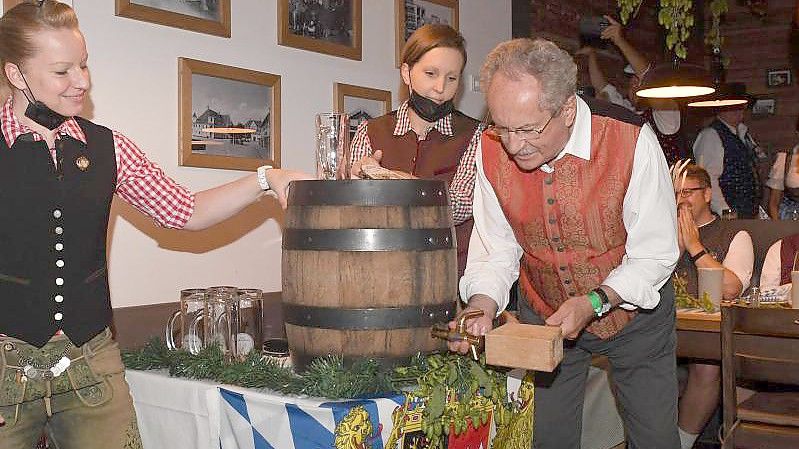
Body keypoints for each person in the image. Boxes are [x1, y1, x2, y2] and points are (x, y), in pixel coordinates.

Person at [0, 2, 310, 447]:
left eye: (84, 65)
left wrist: (265, 178)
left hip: (92, 361)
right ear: (16, 74)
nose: (82, 82)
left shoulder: (108, 147)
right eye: (62, 71)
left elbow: (185, 210)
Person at [450, 37, 680, 449]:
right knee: (547, 439)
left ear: (568, 110)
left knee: (655, 438)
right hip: (544, 312)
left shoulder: (630, 140)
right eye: (503, 127)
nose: (514, 144)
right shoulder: (490, 150)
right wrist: (481, 305)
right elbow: (495, 248)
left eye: (528, 129)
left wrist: (595, 301)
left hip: (635, 316)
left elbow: (655, 253)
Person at [348, 24, 482, 276]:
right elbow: (356, 214)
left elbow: (461, 206)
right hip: (379, 274)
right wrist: (355, 186)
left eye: (452, 78)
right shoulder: (369, 131)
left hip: (449, 277)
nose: (441, 88)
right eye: (431, 73)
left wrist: (392, 183)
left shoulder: (475, 134)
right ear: (407, 73)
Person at [672, 164, 754, 449]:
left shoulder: (733, 234)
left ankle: (679, 443)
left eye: (687, 192)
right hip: (665, 328)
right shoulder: (662, 235)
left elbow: (731, 287)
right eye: (675, 194)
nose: (681, 199)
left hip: (708, 334)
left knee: (706, 366)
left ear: (707, 194)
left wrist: (694, 246)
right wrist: (676, 248)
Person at [576, 15, 689, 166]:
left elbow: (648, 76)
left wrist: (619, 40)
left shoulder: (666, 112)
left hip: (669, 186)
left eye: (640, 83)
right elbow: (601, 86)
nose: (635, 87)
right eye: (632, 83)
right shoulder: (629, 112)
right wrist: (591, 55)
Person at [692, 100, 762, 219]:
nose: (739, 110)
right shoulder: (711, 135)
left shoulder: (743, 133)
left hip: (747, 212)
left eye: (741, 106)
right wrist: (724, 210)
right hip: (726, 215)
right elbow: (707, 178)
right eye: (732, 107)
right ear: (720, 109)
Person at [766, 119, 799, 220]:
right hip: (792, 218)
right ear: (797, 133)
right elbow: (774, 202)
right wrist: (778, 227)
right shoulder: (784, 159)